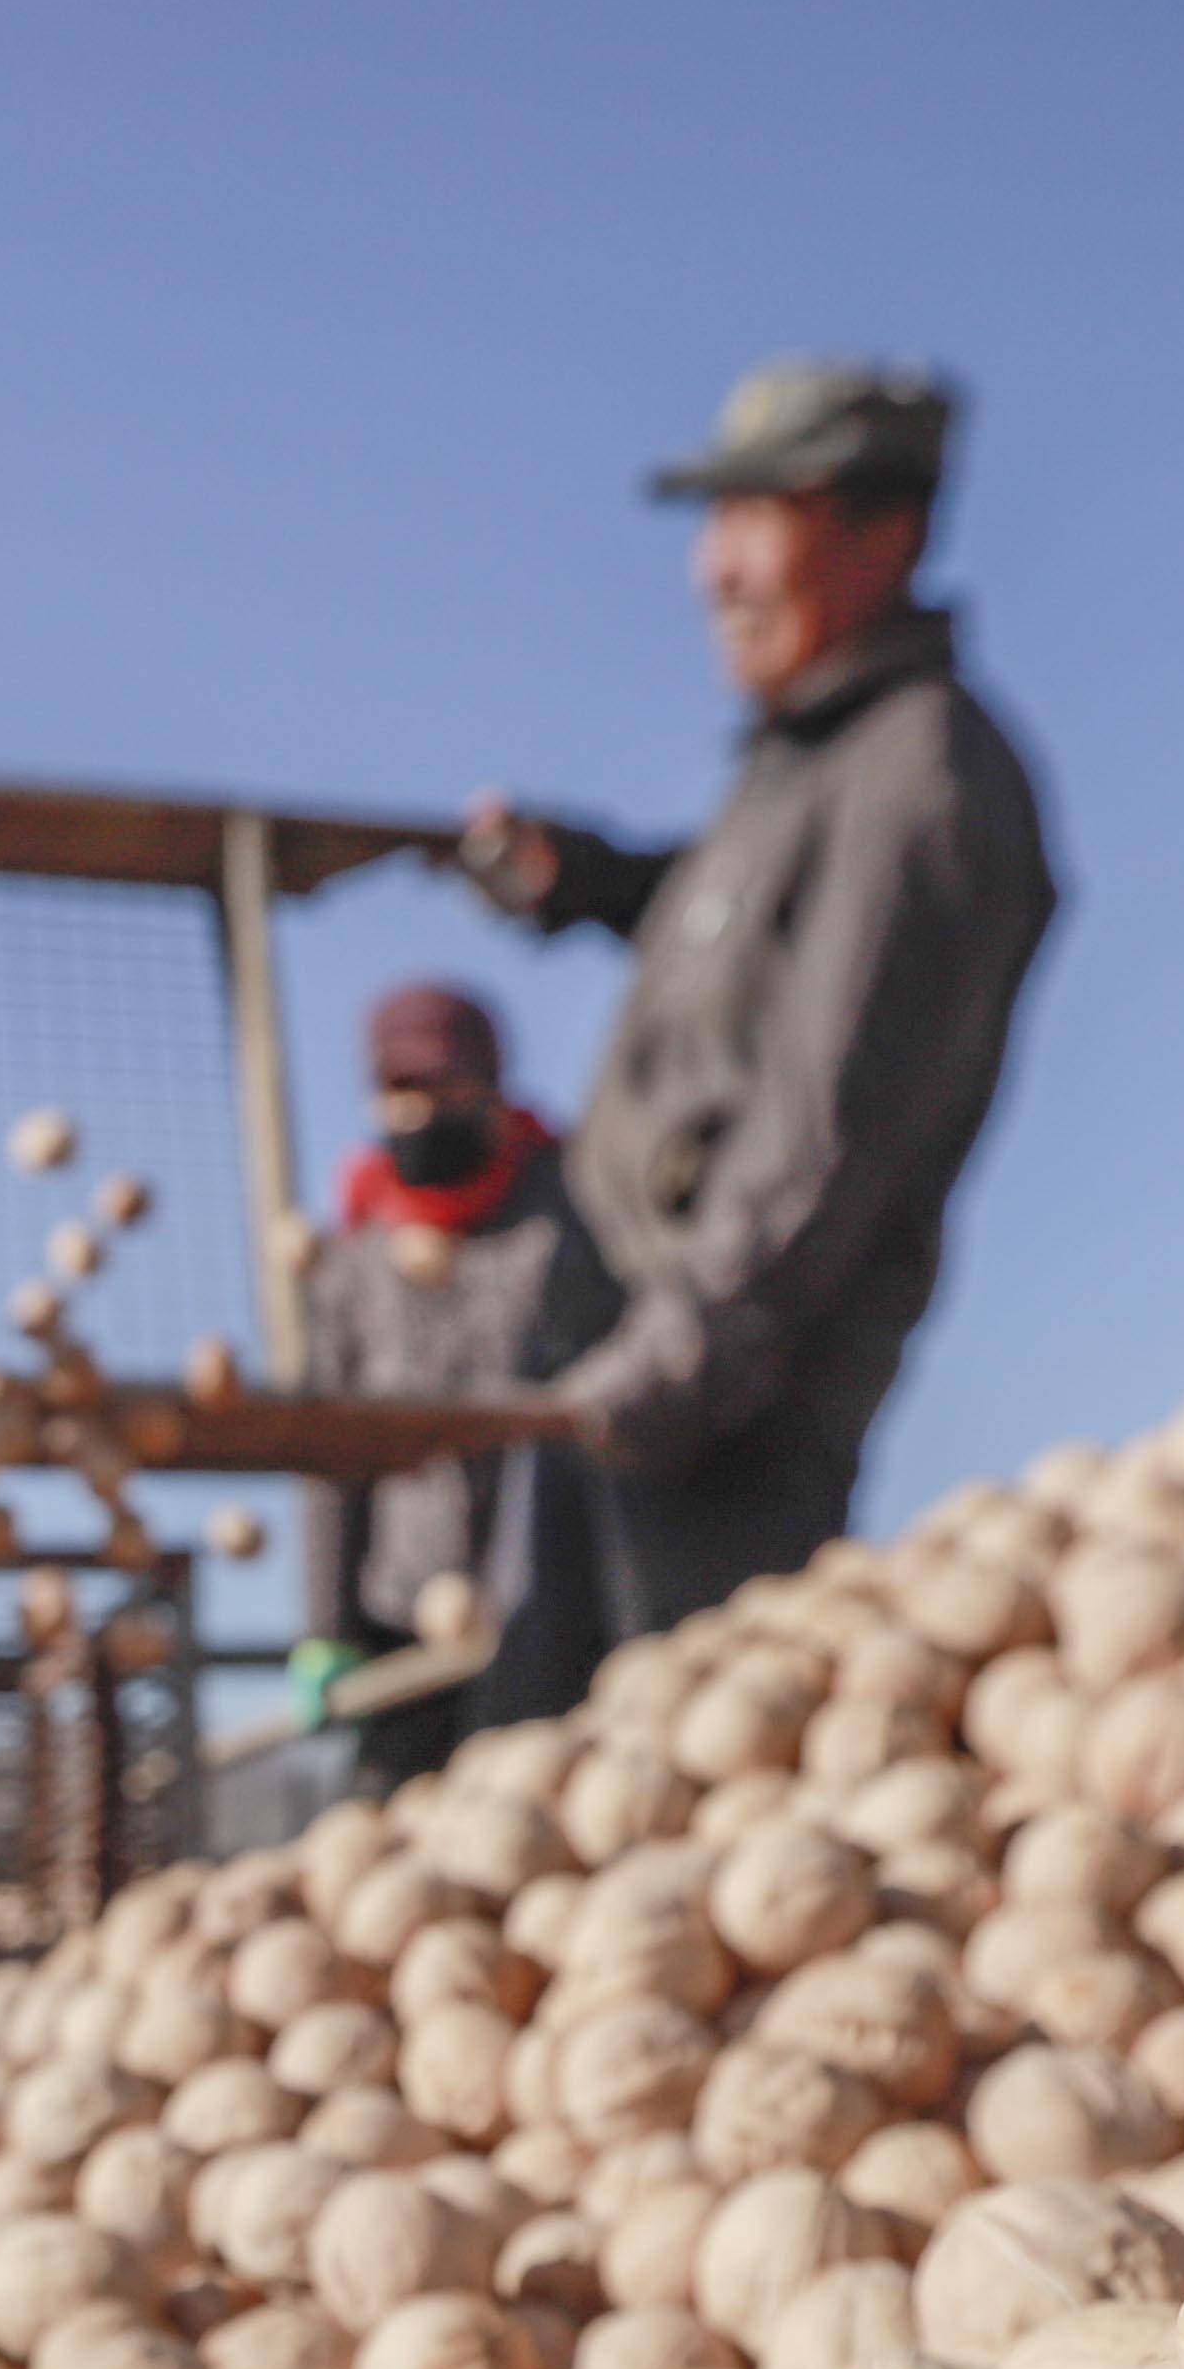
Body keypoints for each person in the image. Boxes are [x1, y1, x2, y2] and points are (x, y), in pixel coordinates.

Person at [456, 354, 1061, 1701]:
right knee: (541, 1761)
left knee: (676, 1759)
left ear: (883, 533)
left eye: (753, 520)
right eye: (713, 526)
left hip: (712, 1411)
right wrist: (589, 882)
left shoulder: (920, 782)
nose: (712, 572)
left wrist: (676, 1365)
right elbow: (740, 942)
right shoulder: (804, 766)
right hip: (628, 1363)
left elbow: (826, 1123)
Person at [285, 982, 571, 1786]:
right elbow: (330, 1449)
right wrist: (325, 1627)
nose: (416, 1113)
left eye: (439, 1086)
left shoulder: (562, 1217)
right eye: (396, 1091)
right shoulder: (355, 1262)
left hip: (548, 1611)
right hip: (403, 1620)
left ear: (487, 1086)